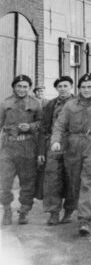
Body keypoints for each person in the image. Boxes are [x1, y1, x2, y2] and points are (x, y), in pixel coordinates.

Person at [50, 72, 91, 236]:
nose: (86, 90)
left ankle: (84, 219)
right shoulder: (70, 105)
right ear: (78, 88)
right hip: (73, 145)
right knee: (75, 182)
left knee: (89, 181)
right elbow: (59, 125)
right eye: (83, 87)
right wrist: (56, 141)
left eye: (90, 87)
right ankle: (81, 208)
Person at [0, 74, 43, 225]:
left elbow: (41, 123)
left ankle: (24, 210)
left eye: (25, 86)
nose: (22, 89)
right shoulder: (5, 103)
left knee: (28, 181)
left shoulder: (36, 103)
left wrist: (30, 127)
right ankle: (6, 209)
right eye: (19, 86)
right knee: (4, 182)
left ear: (29, 88)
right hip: (8, 147)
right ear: (14, 87)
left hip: (27, 146)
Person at [42, 75, 76, 225]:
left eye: (66, 86)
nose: (63, 89)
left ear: (71, 87)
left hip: (73, 145)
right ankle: (53, 212)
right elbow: (45, 128)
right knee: (52, 178)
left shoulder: (79, 103)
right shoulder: (50, 105)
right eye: (60, 86)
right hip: (55, 146)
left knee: (72, 177)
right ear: (56, 88)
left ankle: (69, 211)